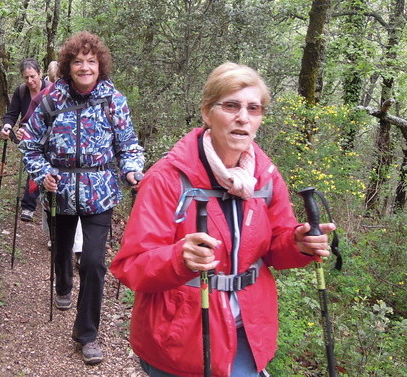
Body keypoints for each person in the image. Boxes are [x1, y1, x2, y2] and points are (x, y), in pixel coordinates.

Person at [110, 63, 335, 376]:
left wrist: (299, 244)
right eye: (231, 106)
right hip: (182, 338)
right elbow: (130, 265)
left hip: (249, 329)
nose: (243, 117)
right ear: (206, 113)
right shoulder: (167, 178)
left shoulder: (265, 177)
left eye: (253, 108)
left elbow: (274, 248)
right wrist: (178, 257)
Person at [19, 31, 145, 365]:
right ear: (68, 65)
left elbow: (128, 144)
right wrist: (41, 171)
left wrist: (132, 170)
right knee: (62, 248)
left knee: (93, 261)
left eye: (91, 61)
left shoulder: (112, 100)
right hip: (59, 188)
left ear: (100, 64)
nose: (85, 67)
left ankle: (87, 334)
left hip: (100, 190)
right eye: (78, 61)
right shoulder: (53, 99)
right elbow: (29, 142)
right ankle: (62, 284)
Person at [25, 60, 84, 260]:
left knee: (77, 207)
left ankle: (78, 250)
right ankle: (54, 238)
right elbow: (30, 127)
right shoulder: (43, 100)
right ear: (50, 80)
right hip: (49, 163)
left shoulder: (82, 99)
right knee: (50, 200)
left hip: (78, 173)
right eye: (56, 79)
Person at [0, 58, 49, 222]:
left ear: (40, 74)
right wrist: (7, 126)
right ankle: (28, 206)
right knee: (32, 167)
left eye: (33, 76)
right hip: (27, 138)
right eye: (26, 77)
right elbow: (12, 113)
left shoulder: (51, 91)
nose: (30, 81)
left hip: (48, 136)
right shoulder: (21, 91)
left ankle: (44, 196)